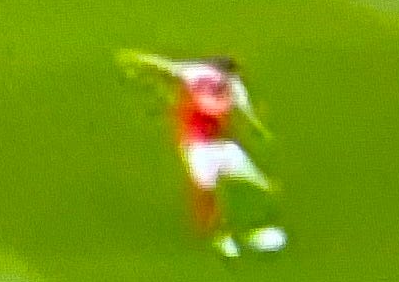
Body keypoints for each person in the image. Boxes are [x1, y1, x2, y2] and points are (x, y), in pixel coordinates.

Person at [120, 49, 285, 256]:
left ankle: (253, 226)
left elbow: (164, 65)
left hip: (222, 145)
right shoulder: (201, 74)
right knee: (208, 193)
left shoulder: (220, 80)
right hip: (198, 146)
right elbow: (164, 66)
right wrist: (138, 60)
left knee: (259, 184)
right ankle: (222, 235)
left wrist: (137, 60)